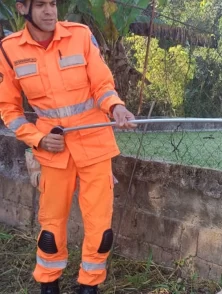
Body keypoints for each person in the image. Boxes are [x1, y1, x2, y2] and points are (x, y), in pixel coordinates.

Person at [0, 0, 137, 293]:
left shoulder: (80, 35)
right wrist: (37, 139)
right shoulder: (9, 50)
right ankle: (49, 284)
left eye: (53, 4)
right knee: (50, 228)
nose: (50, 11)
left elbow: (102, 85)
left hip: (95, 146)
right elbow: (9, 110)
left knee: (100, 228)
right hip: (53, 151)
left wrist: (117, 108)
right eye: (41, 5)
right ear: (23, 7)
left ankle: (90, 285)